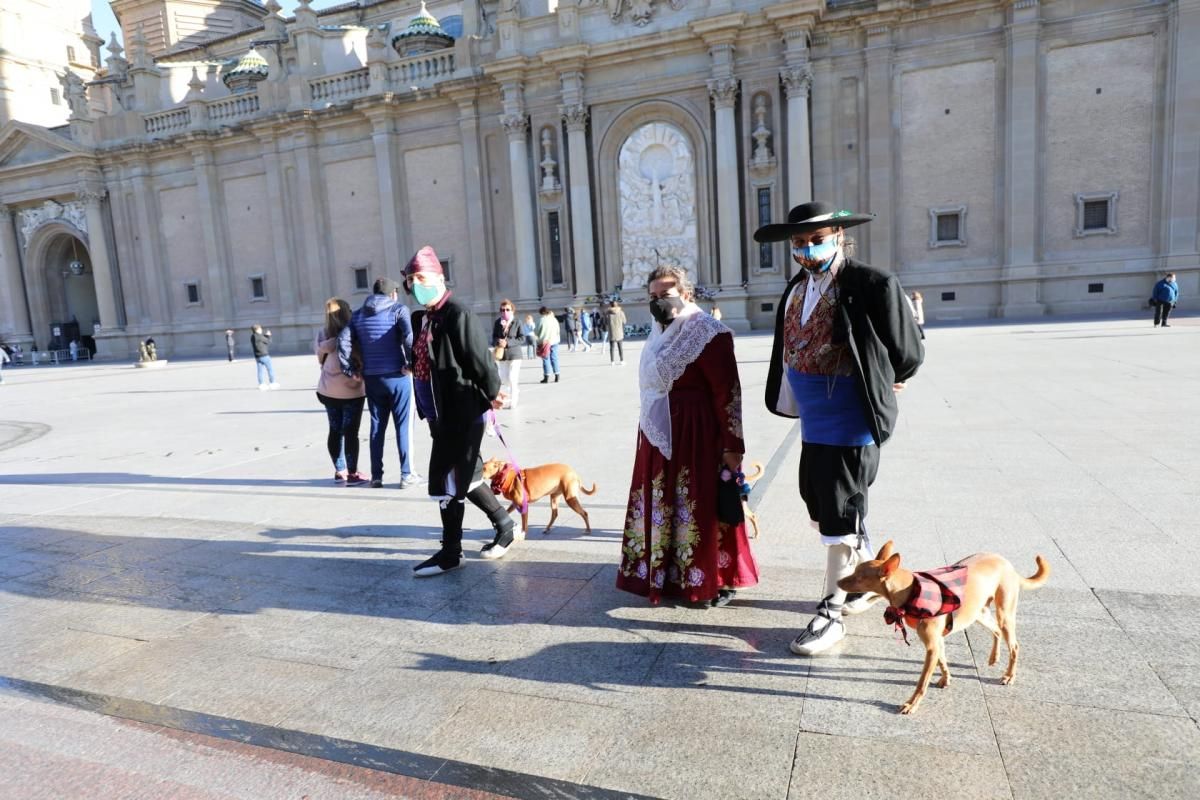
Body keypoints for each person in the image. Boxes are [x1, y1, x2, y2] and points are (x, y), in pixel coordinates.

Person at [754, 200, 924, 655]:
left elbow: (907, 349)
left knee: (839, 514)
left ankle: (830, 613)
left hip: (849, 419)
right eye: (800, 241)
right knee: (817, 503)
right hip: (813, 420)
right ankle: (864, 580)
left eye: (817, 239)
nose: (808, 248)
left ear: (839, 237)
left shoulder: (870, 282)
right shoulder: (796, 288)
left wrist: (889, 379)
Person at [616, 265, 758, 606]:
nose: (658, 303)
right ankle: (665, 574)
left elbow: (728, 394)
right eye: (652, 297)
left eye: (665, 295)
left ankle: (712, 579)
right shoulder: (657, 333)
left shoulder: (710, 333)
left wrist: (732, 446)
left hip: (697, 435)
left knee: (699, 505)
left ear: (686, 294)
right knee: (665, 504)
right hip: (658, 436)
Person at [404, 245, 516, 576]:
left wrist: (494, 392)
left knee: (447, 478)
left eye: (421, 277)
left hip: (461, 410)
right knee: (467, 474)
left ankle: (451, 552)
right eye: (411, 280)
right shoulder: (420, 318)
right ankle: (504, 524)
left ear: (439, 277)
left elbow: (478, 360)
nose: (416, 284)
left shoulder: (458, 313)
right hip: (437, 412)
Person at [350, 277, 418, 489]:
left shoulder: (358, 314)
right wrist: (411, 363)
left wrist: (350, 368)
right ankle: (406, 474)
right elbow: (408, 336)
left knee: (377, 427)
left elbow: (344, 340)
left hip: (372, 378)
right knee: (403, 426)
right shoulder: (398, 310)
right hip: (397, 377)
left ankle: (376, 476)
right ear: (392, 294)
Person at [316, 298, 367, 484]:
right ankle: (353, 473)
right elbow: (362, 357)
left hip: (328, 390)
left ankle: (340, 471)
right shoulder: (354, 333)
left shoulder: (322, 334)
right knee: (351, 432)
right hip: (351, 391)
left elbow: (320, 359)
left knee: (335, 430)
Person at [492, 299, 524, 409]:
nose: (504, 312)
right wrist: (498, 341)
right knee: (504, 379)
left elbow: (522, 338)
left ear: (512, 310)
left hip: (515, 354)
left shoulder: (517, 322)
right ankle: (515, 389)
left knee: (512, 378)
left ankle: (513, 401)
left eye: (507, 309)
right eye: (502, 310)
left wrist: (508, 342)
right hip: (502, 355)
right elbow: (494, 337)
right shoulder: (497, 322)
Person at [535, 306, 561, 383]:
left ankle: (546, 376)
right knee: (554, 357)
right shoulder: (554, 319)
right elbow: (558, 330)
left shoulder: (541, 320)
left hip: (545, 342)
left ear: (541, 312)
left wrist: (538, 339)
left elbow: (536, 331)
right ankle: (557, 375)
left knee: (546, 358)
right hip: (555, 341)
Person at [251, 325, 278, 390]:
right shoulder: (260, 336)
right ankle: (272, 383)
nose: (261, 330)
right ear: (257, 329)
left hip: (257, 356)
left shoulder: (253, 336)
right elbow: (268, 341)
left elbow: (261, 340)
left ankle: (261, 384)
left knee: (260, 371)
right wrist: (269, 335)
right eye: (260, 329)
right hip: (264, 355)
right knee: (270, 369)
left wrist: (265, 336)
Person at [605, 300, 627, 365]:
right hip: (619, 331)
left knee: (611, 347)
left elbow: (605, 322)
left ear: (610, 305)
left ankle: (612, 361)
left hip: (611, 332)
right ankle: (621, 360)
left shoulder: (608, 313)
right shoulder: (621, 312)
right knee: (620, 347)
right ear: (617, 305)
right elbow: (625, 321)